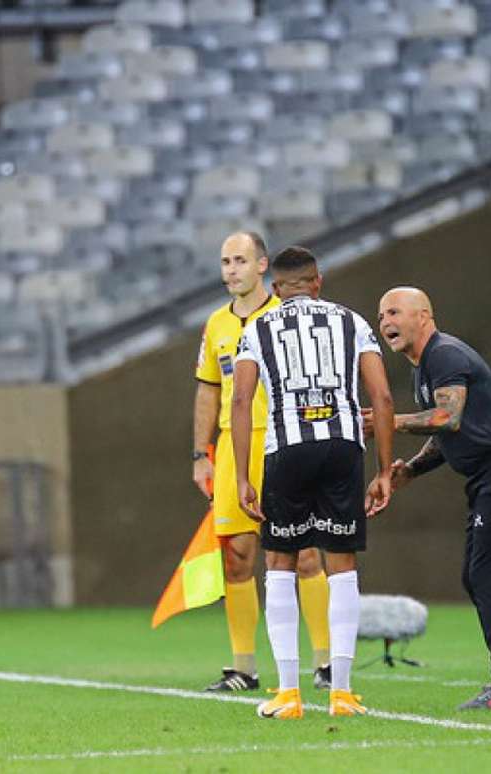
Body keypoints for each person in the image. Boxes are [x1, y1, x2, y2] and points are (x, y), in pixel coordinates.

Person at [232, 246, 394, 720]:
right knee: (340, 563)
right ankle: (341, 693)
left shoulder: (258, 327)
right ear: (318, 282)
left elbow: (241, 401)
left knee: (280, 561)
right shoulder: (353, 321)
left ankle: (288, 693)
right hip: (343, 447)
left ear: (276, 290)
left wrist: (242, 476)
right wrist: (385, 469)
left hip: (286, 449)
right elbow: (381, 395)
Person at [369, 287, 491, 710]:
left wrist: (385, 421)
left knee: (486, 577)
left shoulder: (445, 354)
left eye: (394, 312)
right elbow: (446, 433)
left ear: (424, 316)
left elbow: (447, 418)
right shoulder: (424, 366)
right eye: (380, 316)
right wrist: (411, 469)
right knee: (476, 577)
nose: (385, 323)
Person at [193, 232, 333, 692]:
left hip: (285, 441)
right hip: (234, 450)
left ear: (262, 266)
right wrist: (201, 455)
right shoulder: (215, 325)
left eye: (240, 260)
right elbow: (208, 389)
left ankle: (326, 660)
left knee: (306, 550)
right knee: (237, 557)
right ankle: (244, 667)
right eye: (225, 261)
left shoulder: (287, 316)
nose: (230, 269)